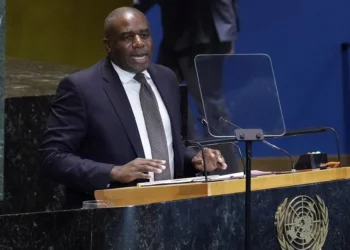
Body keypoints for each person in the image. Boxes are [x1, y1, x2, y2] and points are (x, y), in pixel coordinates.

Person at [39, 7, 227, 209]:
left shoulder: (166, 79)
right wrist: (113, 172)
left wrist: (194, 160)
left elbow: (173, 144)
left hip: (173, 211)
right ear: (108, 45)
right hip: (112, 217)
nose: (139, 43)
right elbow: (53, 157)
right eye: (127, 37)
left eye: (144, 35)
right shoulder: (82, 88)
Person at [134, 0, 239, 139]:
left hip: (204, 36)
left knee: (210, 104)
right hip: (175, 36)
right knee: (162, 93)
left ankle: (222, 158)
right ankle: (191, 150)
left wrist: (227, 33)